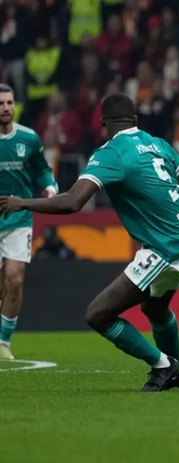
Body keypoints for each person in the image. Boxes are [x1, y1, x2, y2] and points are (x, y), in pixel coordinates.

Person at [0, 94, 179, 392]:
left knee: (98, 314)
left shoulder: (110, 153)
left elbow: (72, 202)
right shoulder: (158, 144)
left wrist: (22, 203)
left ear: (102, 123)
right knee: (156, 308)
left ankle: (165, 366)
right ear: (135, 120)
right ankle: (175, 370)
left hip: (166, 248)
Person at [0, 84, 58, 360]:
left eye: (9, 103)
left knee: (14, 280)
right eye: (1, 104)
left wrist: (49, 186)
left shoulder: (29, 138)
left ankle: (3, 343)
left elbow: (42, 169)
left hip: (19, 217)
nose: (6, 108)